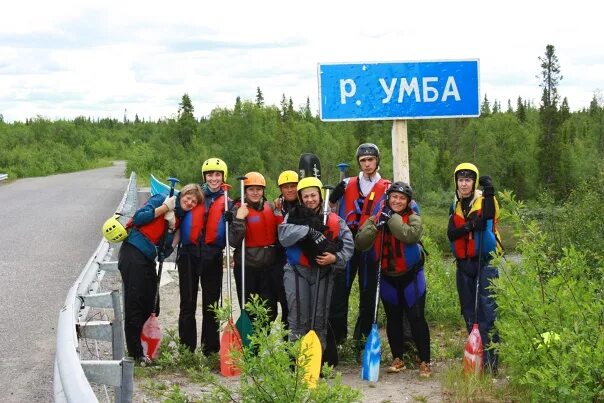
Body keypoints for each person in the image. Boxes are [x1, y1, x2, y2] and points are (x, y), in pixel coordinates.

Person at [118, 183, 203, 363]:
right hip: (132, 251)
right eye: (188, 198)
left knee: (152, 305)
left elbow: (165, 251)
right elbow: (139, 218)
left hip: (147, 258)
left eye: (194, 202)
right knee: (134, 302)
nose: (189, 202)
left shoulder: (179, 218)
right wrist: (164, 208)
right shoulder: (162, 199)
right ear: (182, 195)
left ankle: (143, 345)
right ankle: (136, 353)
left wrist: (171, 228)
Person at [355, 182, 431, 377]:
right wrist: (376, 225)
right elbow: (360, 242)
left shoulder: (413, 218)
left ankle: (425, 361)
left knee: (416, 318)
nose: (397, 201)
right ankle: (398, 358)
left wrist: (391, 219)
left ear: (408, 201)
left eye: (402, 198)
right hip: (388, 276)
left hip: (411, 277)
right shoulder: (377, 217)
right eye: (394, 197)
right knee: (393, 319)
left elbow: (410, 236)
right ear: (388, 198)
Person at [278, 177, 354, 354]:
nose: (310, 199)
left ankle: (317, 361)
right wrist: (308, 230)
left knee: (319, 319)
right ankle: (295, 361)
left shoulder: (334, 219)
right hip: (297, 271)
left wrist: (335, 258)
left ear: (320, 196)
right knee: (298, 318)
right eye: (305, 196)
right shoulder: (292, 216)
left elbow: (349, 245)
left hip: (323, 272)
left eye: (313, 195)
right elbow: (283, 236)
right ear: (300, 198)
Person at [328, 143, 391, 350]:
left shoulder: (387, 187)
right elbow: (328, 209)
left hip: (371, 244)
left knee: (368, 293)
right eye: (363, 160)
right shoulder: (346, 183)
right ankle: (337, 339)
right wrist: (332, 198)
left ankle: (361, 340)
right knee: (339, 292)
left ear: (377, 161)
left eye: (370, 160)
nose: (367, 164)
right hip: (347, 244)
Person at [447, 162, 502, 373]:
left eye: (468, 180)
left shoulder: (486, 201)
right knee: (469, 312)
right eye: (461, 180)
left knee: (487, 312)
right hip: (465, 265)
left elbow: (487, 217)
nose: (464, 184)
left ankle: (491, 364)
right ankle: (476, 356)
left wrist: (489, 192)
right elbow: (452, 233)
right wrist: (469, 226)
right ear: (456, 182)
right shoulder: (456, 204)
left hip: (485, 262)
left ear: (474, 182)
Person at [177, 158, 231, 355]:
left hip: (212, 256)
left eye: (218, 174)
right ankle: (186, 348)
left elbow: (235, 230)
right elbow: (176, 212)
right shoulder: (193, 196)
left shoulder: (229, 203)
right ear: (204, 177)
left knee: (211, 304)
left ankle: (210, 349)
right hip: (189, 255)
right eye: (210, 174)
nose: (214, 178)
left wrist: (231, 219)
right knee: (188, 302)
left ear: (224, 177)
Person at [228, 172, 283, 324]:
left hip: (269, 268)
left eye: (259, 189)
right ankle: (251, 347)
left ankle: (263, 343)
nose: (255, 192)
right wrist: (239, 218)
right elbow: (233, 241)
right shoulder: (238, 210)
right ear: (245, 191)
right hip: (247, 268)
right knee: (251, 312)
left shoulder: (270, 207)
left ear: (263, 191)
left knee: (270, 311)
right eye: (251, 189)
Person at [272, 170, 300, 328]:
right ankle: (286, 343)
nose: (290, 190)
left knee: (297, 303)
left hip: (298, 258)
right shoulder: (276, 206)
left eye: (293, 186)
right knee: (285, 303)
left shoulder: (305, 205)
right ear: (281, 189)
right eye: (285, 187)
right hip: (280, 260)